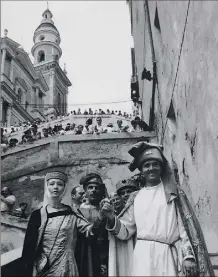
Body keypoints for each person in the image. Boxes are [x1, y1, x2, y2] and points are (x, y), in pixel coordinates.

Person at [101, 142, 214, 276]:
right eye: (147, 165)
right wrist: (110, 217)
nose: (151, 168)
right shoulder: (136, 197)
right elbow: (126, 232)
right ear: (142, 170)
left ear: (161, 167)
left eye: (155, 164)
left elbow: (185, 227)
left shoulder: (172, 191)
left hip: (167, 254)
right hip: (142, 257)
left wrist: (188, 256)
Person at [21, 171, 102, 277]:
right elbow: (29, 248)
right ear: (47, 187)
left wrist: (102, 217)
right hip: (44, 268)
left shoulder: (72, 213)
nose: (55, 187)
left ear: (65, 188)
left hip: (68, 267)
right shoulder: (38, 215)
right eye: (52, 184)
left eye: (60, 184)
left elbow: (90, 232)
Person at [78, 173, 109, 276]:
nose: (94, 190)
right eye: (90, 187)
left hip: (105, 250)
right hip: (86, 251)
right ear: (85, 191)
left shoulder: (106, 209)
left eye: (96, 188)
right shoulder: (79, 211)